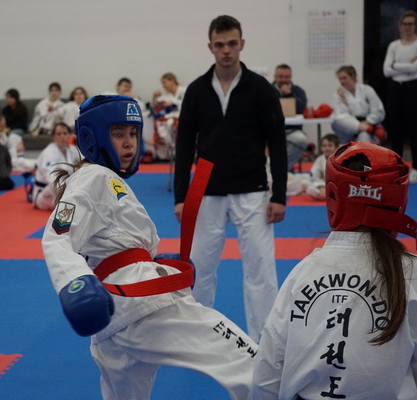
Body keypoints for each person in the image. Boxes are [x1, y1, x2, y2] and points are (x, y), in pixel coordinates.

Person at [41, 94, 257, 400]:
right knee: (252, 365)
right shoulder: (92, 177)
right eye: (118, 134)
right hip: (139, 304)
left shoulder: (104, 180)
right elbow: (57, 235)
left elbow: (113, 245)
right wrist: (74, 284)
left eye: (133, 133)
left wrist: (158, 263)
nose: (128, 142)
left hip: (114, 320)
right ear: (91, 137)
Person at [251, 141, 417, 399]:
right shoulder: (416, 273)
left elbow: (267, 373)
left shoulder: (304, 272)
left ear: (334, 198)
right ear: (400, 200)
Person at [174, 15, 287, 342]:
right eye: (220, 44)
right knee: (200, 268)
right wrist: (180, 197)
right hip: (206, 189)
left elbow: (277, 142)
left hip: (252, 188)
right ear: (210, 47)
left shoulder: (261, 89)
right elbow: (184, 146)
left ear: (242, 44)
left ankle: (265, 342)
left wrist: (279, 194)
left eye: (232, 43)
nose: (226, 50)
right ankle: (197, 337)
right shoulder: (197, 90)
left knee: (260, 269)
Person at [383, 10, 417, 184]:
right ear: (400, 26)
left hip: (413, 89)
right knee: (396, 131)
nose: (407, 27)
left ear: (416, 26)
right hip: (396, 89)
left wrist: (396, 65)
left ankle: (416, 169)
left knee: (414, 130)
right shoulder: (394, 46)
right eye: (405, 24)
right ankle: (398, 168)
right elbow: (386, 71)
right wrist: (406, 65)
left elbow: (416, 68)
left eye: (411, 24)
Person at [332, 65, 386, 144]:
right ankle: (368, 129)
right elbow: (340, 115)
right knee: (337, 119)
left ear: (353, 76)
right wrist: (344, 100)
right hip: (350, 128)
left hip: (368, 123)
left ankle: (366, 129)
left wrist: (367, 122)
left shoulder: (367, 90)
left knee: (364, 135)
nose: (342, 81)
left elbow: (378, 110)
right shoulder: (338, 95)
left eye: (344, 78)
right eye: (340, 79)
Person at [32, 122, 81, 210]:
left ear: (69, 135)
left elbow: (86, 164)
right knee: (74, 205)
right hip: (45, 193)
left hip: (67, 189)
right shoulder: (49, 153)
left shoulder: (73, 150)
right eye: (59, 134)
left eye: (65, 133)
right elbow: (51, 178)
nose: (62, 136)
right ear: (53, 137)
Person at [272, 64, 311, 172]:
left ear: (290, 77)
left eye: (286, 77)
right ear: (275, 77)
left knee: (301, 141)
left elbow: (302, 109)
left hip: (293, 131)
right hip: (272, 131)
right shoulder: (267, 89)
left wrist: (289, 94)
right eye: (280, 77)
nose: (283, 80)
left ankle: (278, 170)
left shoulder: (298, 91)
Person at [306, 133, 340, 200]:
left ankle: (330, 195)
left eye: (330, 145)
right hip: (324, 186)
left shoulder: (341, 158)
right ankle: (326, 194)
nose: (326, 148)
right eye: (324, 146)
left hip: (339, 186)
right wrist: (320, 186)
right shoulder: (320, 160)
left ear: (337, 147)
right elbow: (314, 176)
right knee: (308, 186)